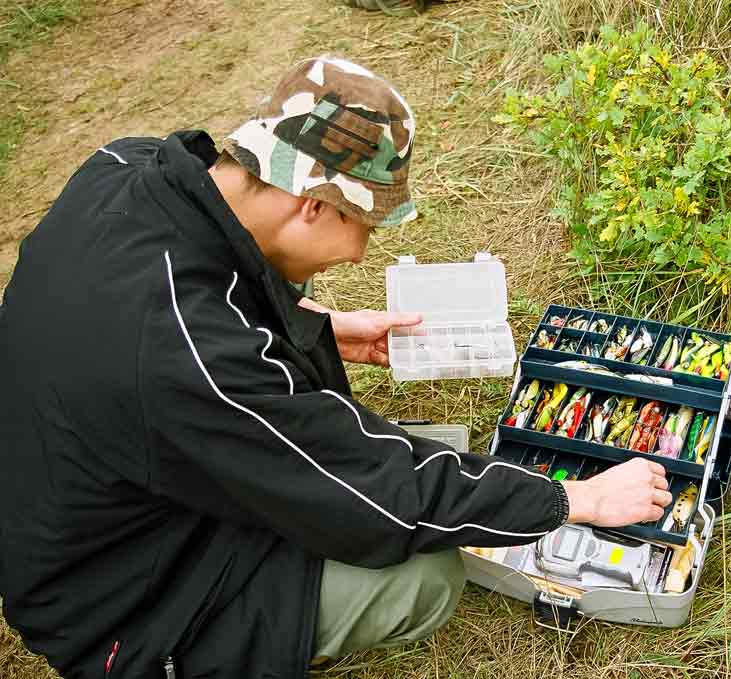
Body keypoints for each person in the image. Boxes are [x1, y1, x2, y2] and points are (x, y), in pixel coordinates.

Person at [0, 55, 672, 678]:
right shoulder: (191, 353)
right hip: (117, 600)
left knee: (432, 456)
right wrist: (571, 498)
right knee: (424, 575)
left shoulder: (125, 165)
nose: (358, 255)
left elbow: (204, 286)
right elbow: (373, 490)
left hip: (92, 497)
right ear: (312, 205)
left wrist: (318, 324)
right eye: (366, 228)